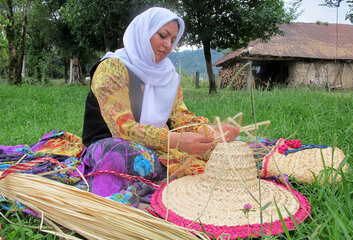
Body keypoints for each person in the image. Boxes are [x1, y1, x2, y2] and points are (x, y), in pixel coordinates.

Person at [79, 7, 239, 208]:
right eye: (162, 35)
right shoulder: (112, 68)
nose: (167, 45)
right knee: (118, 153)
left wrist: (211, 131)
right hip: (113, 144)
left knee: (222, 146)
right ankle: (158, 180)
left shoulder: (168, 75)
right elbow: (123, 129)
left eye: (173, 40)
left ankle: (157, 176)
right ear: (143, 33)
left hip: (163, 146)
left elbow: (181, 117)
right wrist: (176, 141)